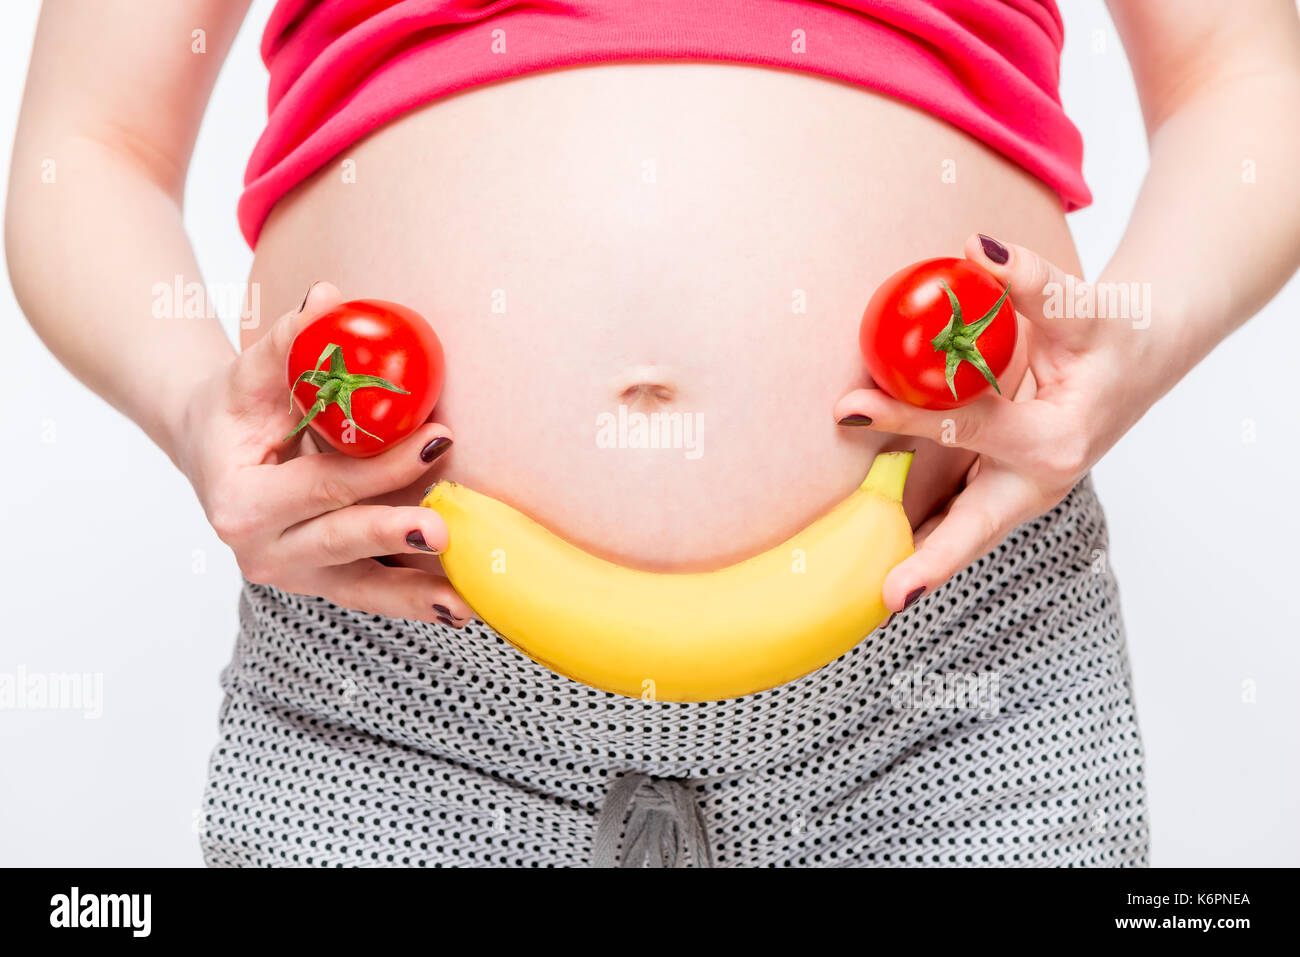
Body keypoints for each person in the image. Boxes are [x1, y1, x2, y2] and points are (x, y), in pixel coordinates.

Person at [8, 0, 1299, 867]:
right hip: (395, 671)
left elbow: (1249, 83)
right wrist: (193, 407)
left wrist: (1134, 337)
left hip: (950, 671)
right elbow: (90, 144)